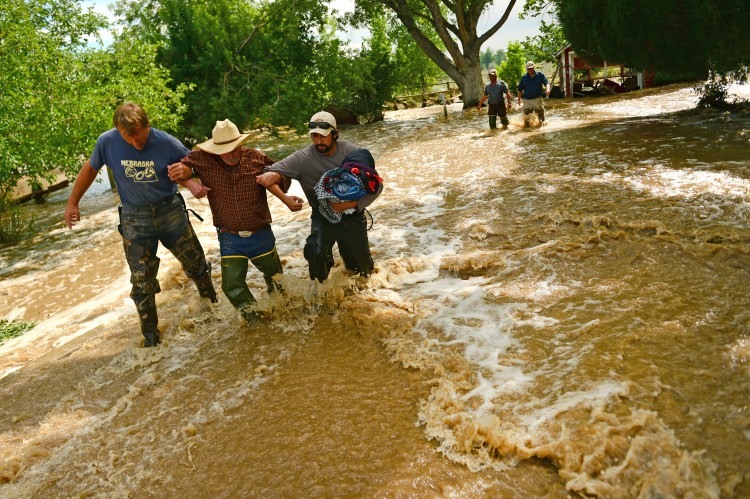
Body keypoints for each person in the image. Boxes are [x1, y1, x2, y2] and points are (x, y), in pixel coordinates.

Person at [64, 103, 217, 347]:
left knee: (196, 263)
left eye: (140, 136)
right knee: (141, 280)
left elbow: (199, 165)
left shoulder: (166, 142)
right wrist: (73, 202)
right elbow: (91, 169)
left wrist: (189, 171)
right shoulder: (106, 142)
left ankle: (213, 310)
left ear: (147, 125)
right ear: (118, 130)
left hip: (170, 212)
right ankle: (151, 338)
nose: (137, 143)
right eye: (129, 138)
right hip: (135, 218)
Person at [167, 119, 304, 324]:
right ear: (215, 150)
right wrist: (189, 182)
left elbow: (284, 179)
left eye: (235, 149)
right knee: (231, 286)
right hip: (229, 237)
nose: (231, 155)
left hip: (261, 234)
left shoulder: (256, 158)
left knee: (276, 279)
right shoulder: (202, 159)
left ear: (241, 144)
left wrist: (275, 176)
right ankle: (256, 321)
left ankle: (283, 314)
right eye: (225, 151)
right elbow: (175, 170)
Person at [256, 111, 382, 283]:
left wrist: (353, 203)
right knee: (316, 256)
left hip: (352, 215)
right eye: (314, 136)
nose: (318, 141)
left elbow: (377, 186)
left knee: (362, 271)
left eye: (323, 136)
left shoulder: (353, 153)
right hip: (322, 217)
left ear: (335, 134)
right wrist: (284, 198)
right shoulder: (303, 158)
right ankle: (321, 297)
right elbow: (267, 175)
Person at [517, 61, 551, 127]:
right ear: (526, 69)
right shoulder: (524, 78)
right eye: (528, 68)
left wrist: (548, 89)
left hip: (537, 99)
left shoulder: (540, 75)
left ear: (534, 67)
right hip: (527, 100)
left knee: (540, 116)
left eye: (531, 68)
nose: (530, 70)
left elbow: (547, 83)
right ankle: (527, 130)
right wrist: (518, 99)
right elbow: (520, 89)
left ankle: (542, 129)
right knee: (526, 117)